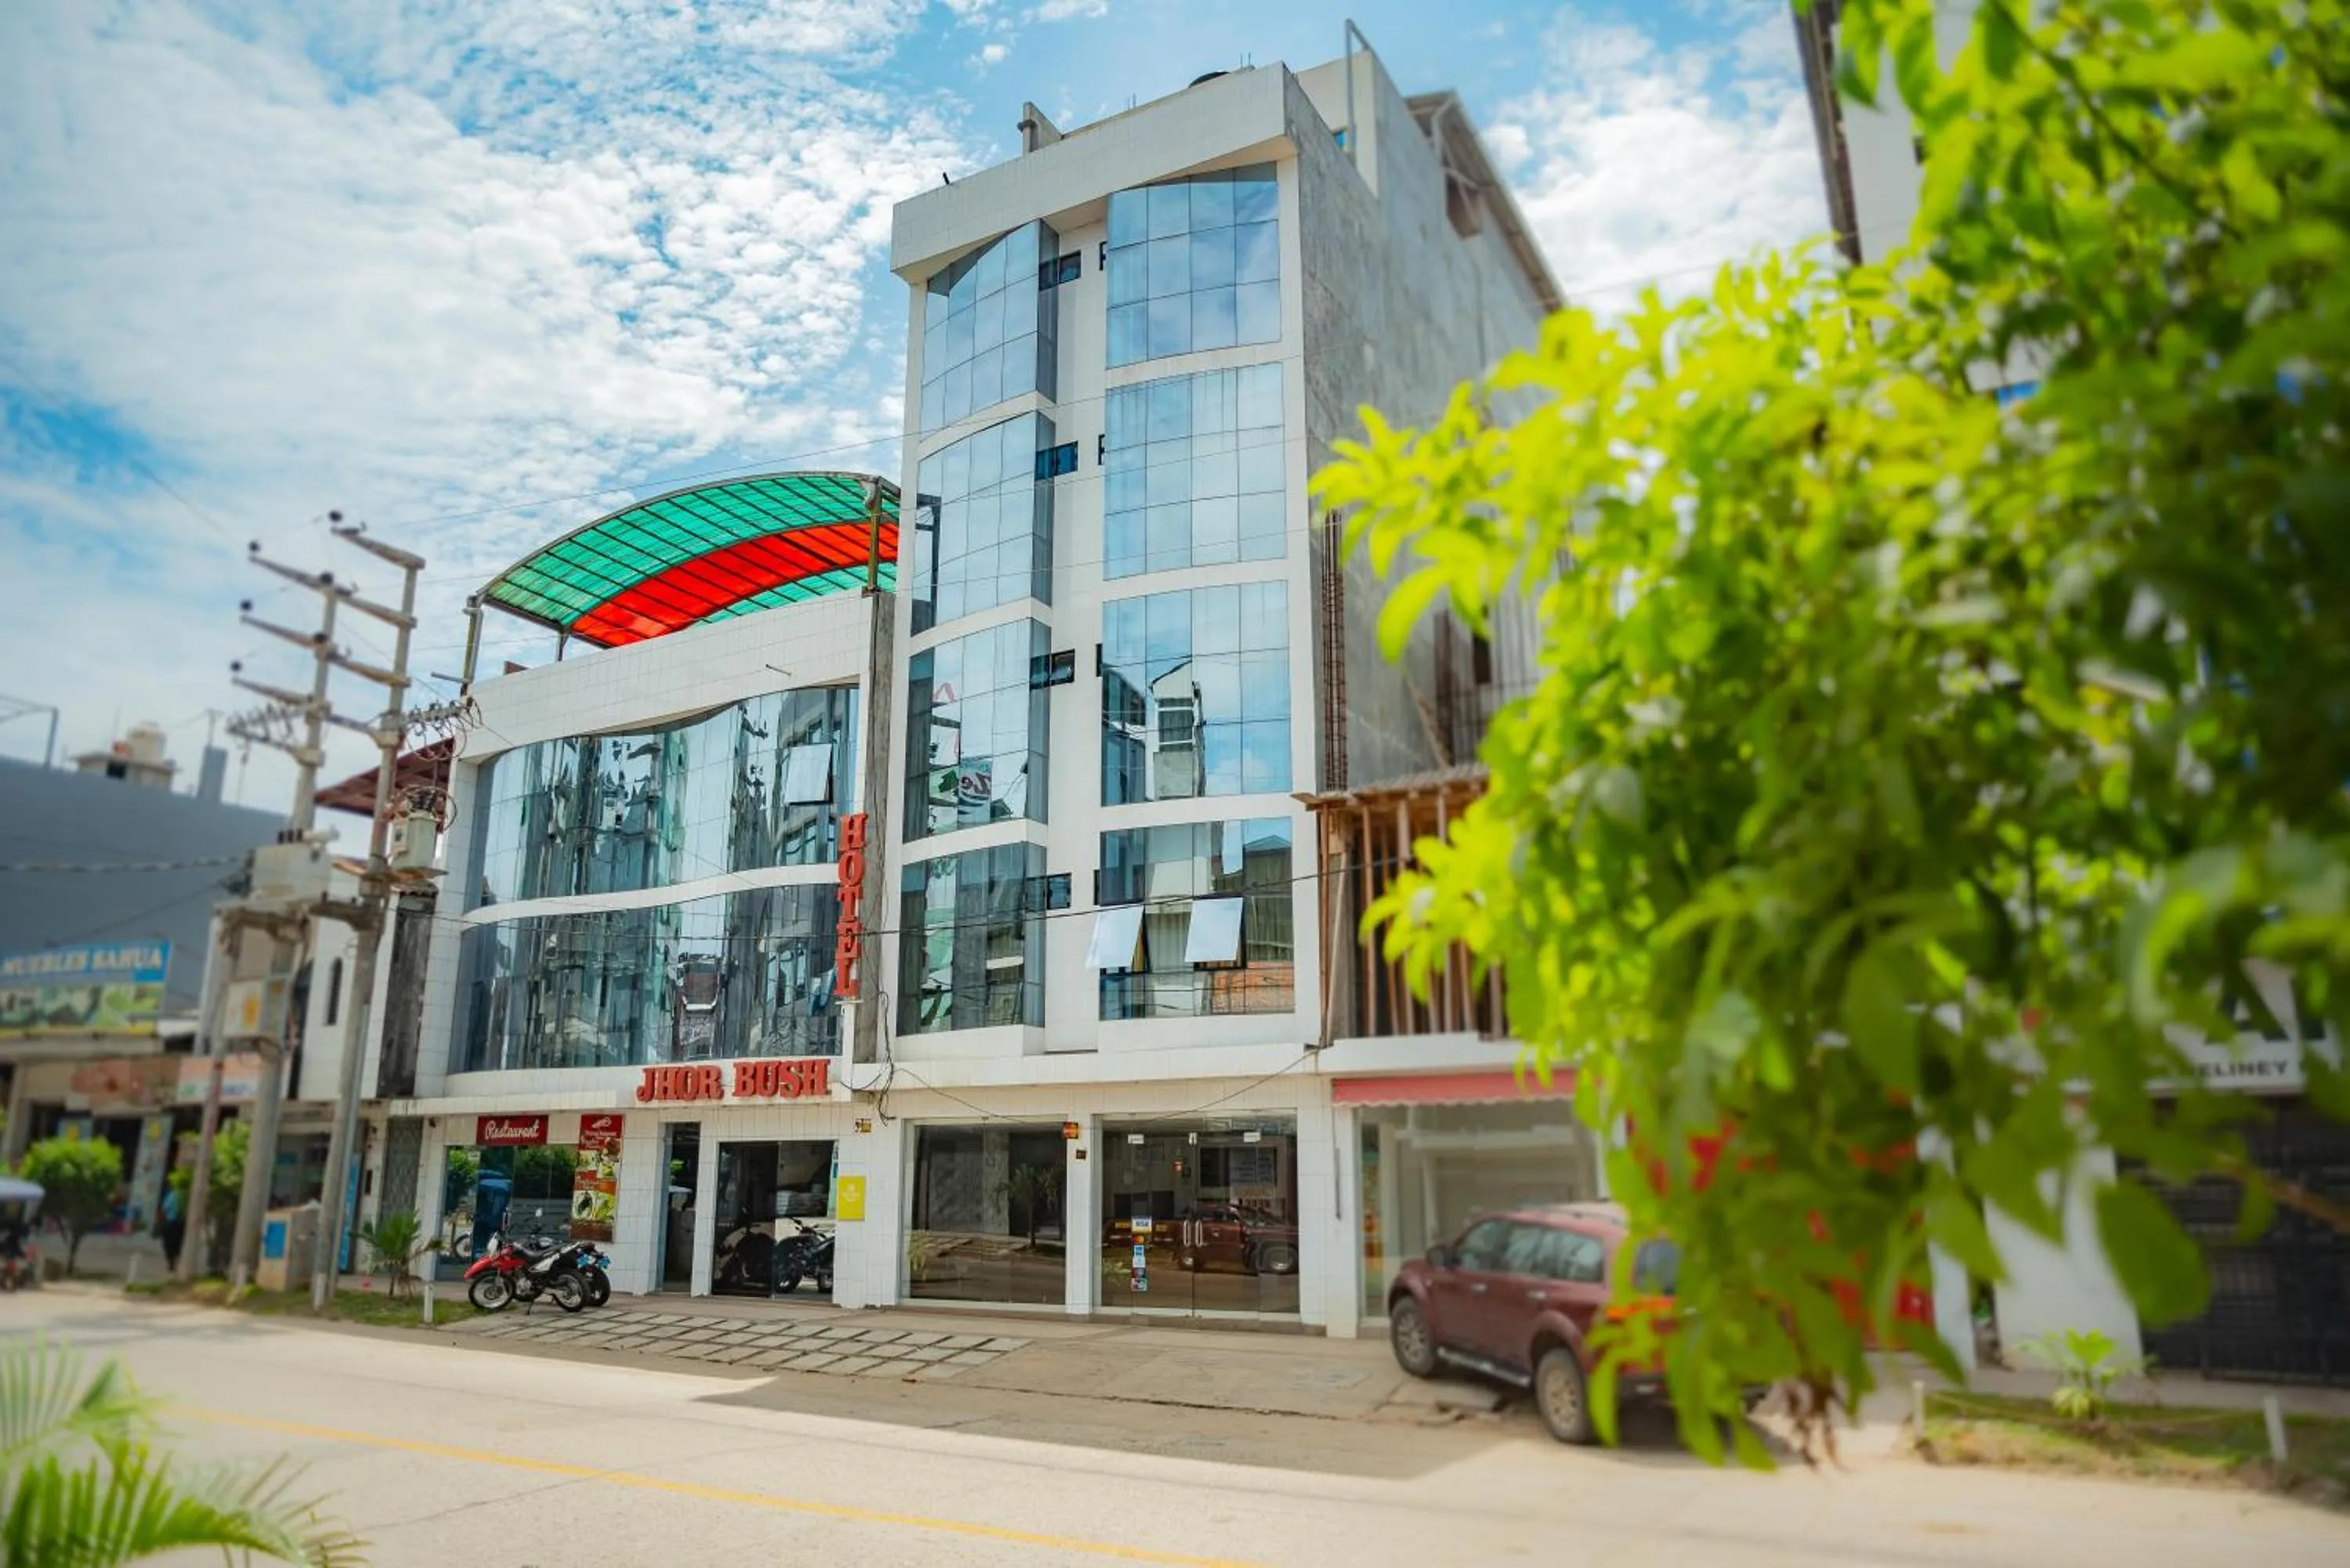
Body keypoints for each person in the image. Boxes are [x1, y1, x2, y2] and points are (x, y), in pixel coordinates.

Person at [157, 1181, 186, 1272]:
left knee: (168, 1244)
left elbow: (164, 1209)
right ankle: (177, 1261)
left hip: (171, 1223)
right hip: (182, 1224)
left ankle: (171, 1263)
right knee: (179, 1243)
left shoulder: (172, 1196)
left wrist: (161, 1223)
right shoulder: (185, 1196)